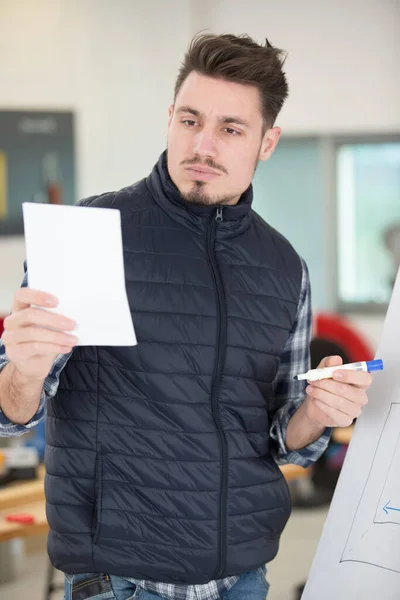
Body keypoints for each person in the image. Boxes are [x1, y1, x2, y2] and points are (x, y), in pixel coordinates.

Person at [0, 33, 372, 600]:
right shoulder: (88, 233)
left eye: (230, 128)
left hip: (243, 578)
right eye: (191, 120)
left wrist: (318, 413)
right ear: (170, 116)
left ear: (266, 142)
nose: (203, 144)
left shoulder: (283, 267)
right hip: (119, 579)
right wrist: (22, 369)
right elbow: (10, 416)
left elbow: (282, 439)